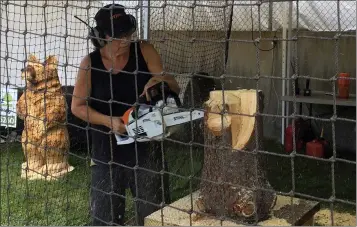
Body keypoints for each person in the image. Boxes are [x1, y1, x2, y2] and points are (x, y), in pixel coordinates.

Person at [71, 3, 180, 226]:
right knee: (105, 217)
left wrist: (158, 82)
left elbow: (173, 85)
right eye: (118, 37)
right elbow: (77, 106)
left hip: (147, 147)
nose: (126, 41)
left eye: (128, 34)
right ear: (101, 37)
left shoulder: (144, 50)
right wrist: (109, 121)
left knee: (154, 215)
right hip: (106, 151)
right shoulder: (89, 64)